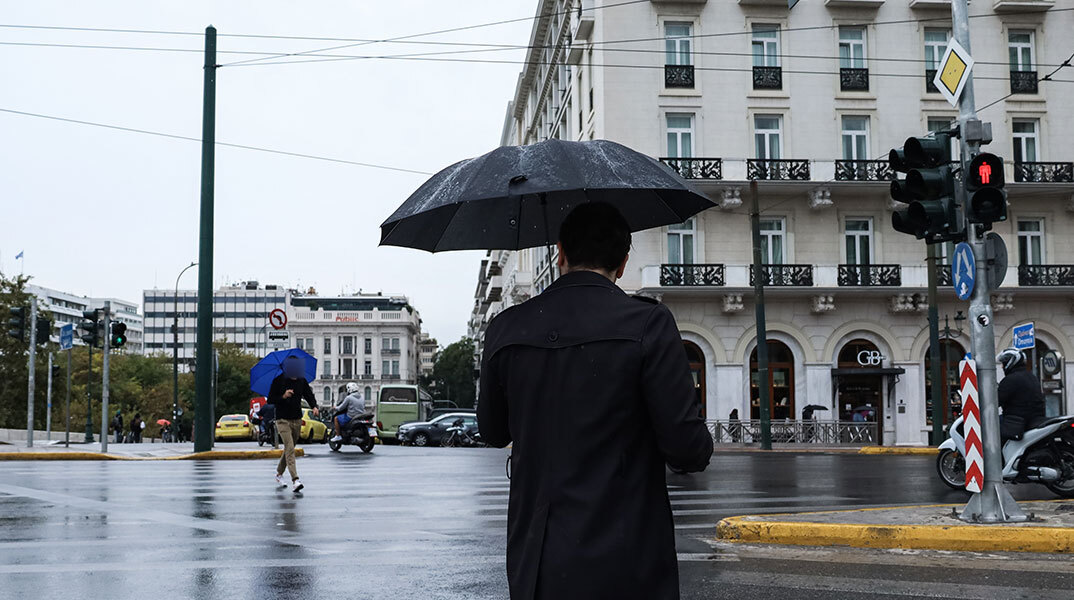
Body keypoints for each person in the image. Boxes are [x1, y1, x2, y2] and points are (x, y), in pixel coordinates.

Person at [478, 202, 713, 600]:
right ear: (622, 263)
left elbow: (492, 430)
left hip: (537, 556)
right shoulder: (648, 323)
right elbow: (687, 450)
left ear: (560, 254)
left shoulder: (506, 327)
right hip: (628, 556)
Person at [267, 356, 318, 492]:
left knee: (290, 448)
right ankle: (295, 480)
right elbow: (270, 399)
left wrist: (314, 406)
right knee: (289, 447)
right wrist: (283, 396)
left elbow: (309, 395)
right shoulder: (278, 381)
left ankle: (279, 474)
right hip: (282, 419)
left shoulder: (302, 380)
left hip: (296, 419)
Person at [997, 348, 1046, 439]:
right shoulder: (1031, 376)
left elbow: (995, 401)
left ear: (1010, 362)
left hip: (1018, 420)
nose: (1002, 367)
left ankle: (993, 452)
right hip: (1034, 418)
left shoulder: (1010, 380)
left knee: (991, 424)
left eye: (1003, 363)